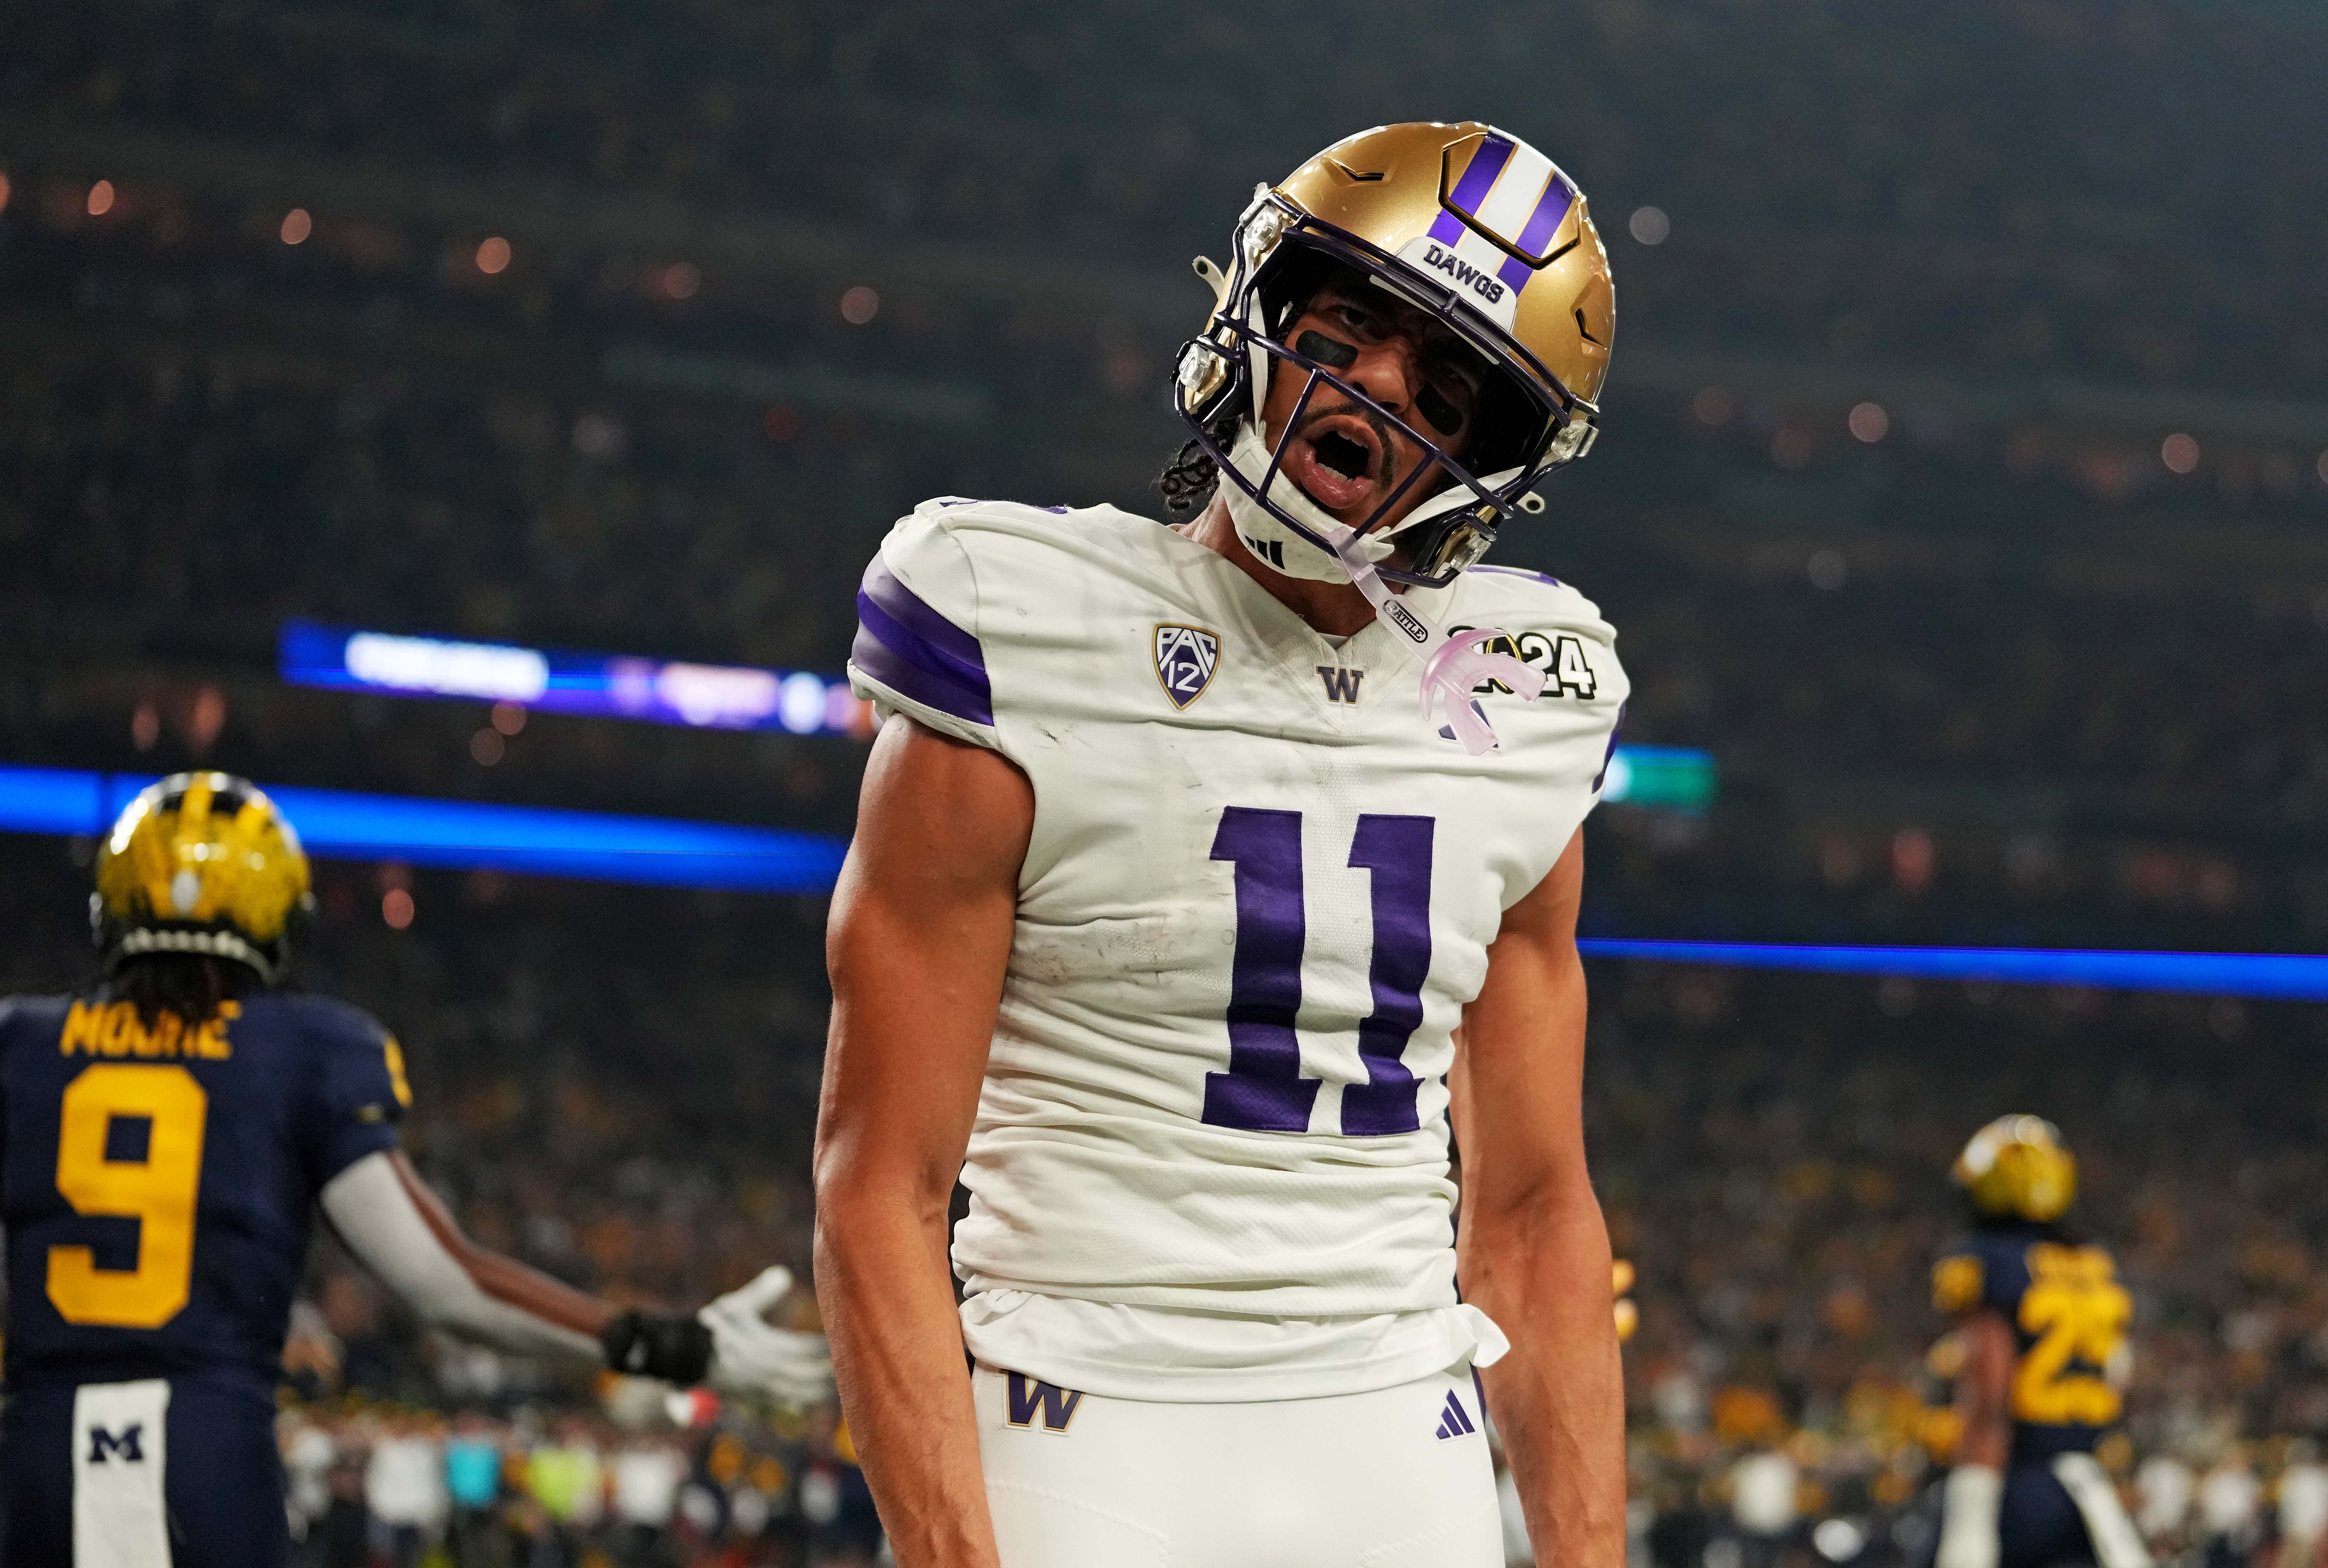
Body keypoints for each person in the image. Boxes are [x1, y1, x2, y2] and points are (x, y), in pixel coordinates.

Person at [818, 121, 1627, 1566]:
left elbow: (1531, 1209)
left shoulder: (1525, 695)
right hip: (1078, 1420)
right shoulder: (1021, 621)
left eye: (1444, 388)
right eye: (1347, 330)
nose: (1381, 386)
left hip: (1409, 1436)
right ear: (1253, 312)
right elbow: (880, 1186)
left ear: (1489, 465)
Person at [0, 772, 833, 1566]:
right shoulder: (305, 1049)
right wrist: (667, 1345)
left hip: (32, 1455)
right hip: (196, 1451)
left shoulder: (21, 1045)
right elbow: (445, 1282)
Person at [1930, 1115, 2149, 1568]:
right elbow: (2118, 1376)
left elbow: (1989, 1402)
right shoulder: (2096, 1265)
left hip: (2014, 1488)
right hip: (2083, 1493)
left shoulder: (1989, 1260)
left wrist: (1970, 1517)